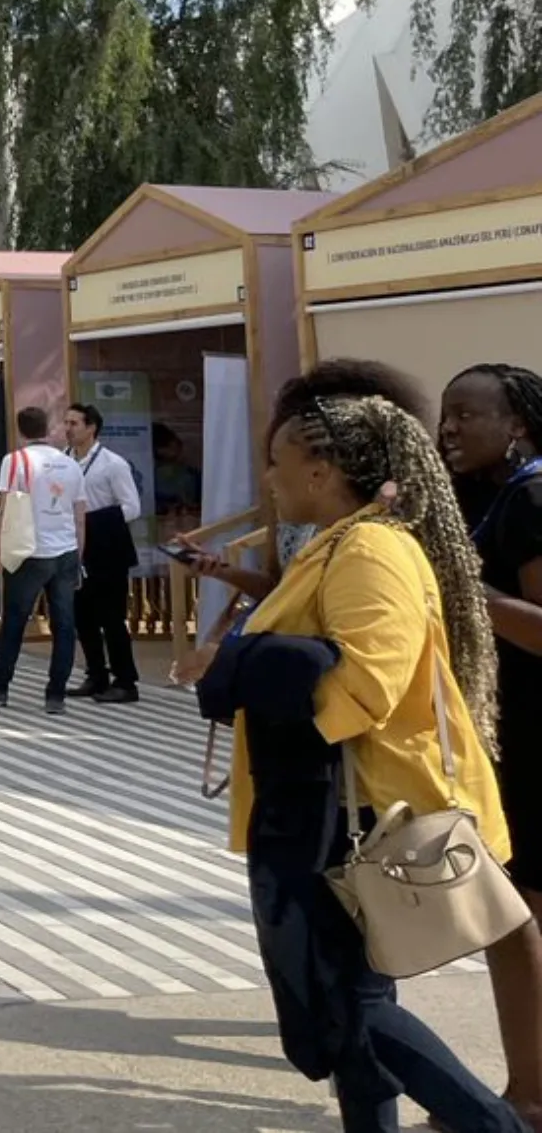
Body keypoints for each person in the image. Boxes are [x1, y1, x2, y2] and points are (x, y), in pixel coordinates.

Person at [199, 377, 520, 1133]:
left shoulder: (371, 549)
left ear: (322, 469)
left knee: (351, 1005)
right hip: (319, 806)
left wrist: (236, 667)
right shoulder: (336, 544)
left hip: (357, 811)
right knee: (348, 1015)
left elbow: (367, 680)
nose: (268, 477)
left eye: (278, 460)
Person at [443, 361, 542, 1128]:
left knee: (516, 921)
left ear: (517, 424)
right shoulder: (496, 496)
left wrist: (459, 591)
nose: (449, 428)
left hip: (536, 739)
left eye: (465, 414)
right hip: (510, 735)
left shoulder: (533, 497)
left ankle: (528, 1099)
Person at [0, 405, 86, 715]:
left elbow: (5, 511)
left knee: (15, 621)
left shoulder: (15, 461)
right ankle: (55, 694)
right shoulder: (70, 464)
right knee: (64, 625)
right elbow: (80, 516)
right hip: (66, 552)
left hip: (29, 552)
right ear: (47, 428)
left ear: (20, 430)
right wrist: (78, 559)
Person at [65, 404, 145, 703]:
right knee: (82, 615)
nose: (68, 428)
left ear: (91, 428)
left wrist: (91, 519)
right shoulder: (63, 461)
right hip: (73, 546)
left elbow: (132, 507)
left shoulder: (113, 464)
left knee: (111, 617)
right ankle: (96, 675)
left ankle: (125, 680)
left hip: (107, 547)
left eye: (74, 423)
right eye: (66, 423)